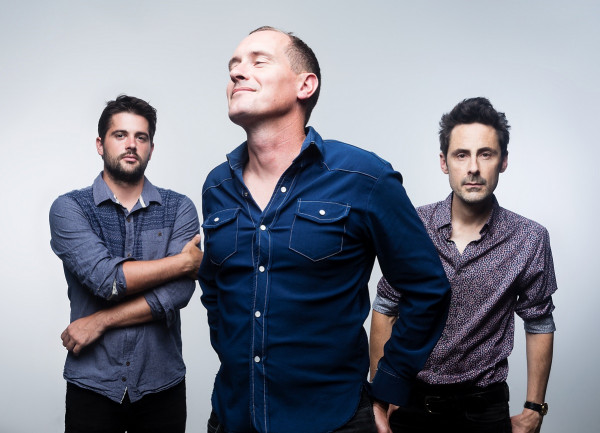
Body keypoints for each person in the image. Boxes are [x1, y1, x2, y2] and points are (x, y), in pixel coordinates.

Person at [198, 26, 450, 433]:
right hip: (232, 417)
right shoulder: (217, 186)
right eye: (234, 66)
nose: (237, 73)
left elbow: (428, 289)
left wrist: (389, 386)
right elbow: (214, 289)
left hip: (333, 420)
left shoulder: (365, 177)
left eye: (258, 62)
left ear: (305, 85)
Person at [371, 97, 557, 433]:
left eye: (485, 154)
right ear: (444, 162)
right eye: (461, 155)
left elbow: (539, 321)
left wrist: (534, 409)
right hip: (410, 403)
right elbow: (386, 306)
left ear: (503, 161)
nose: (473, 168)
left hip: (484, 410)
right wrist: (381, 396)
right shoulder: (414, 225)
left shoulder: (530, 238)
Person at [49, 95, 202, 433]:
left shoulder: (179, 208)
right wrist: (181, 263)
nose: (131, 144)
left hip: (162, 384)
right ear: (100, 144)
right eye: (120, 135)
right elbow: (108, 281)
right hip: (93, 385)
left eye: (141, 137)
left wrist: (101, 320)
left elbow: (178, 293)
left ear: (151, 148)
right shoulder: (70, 209)